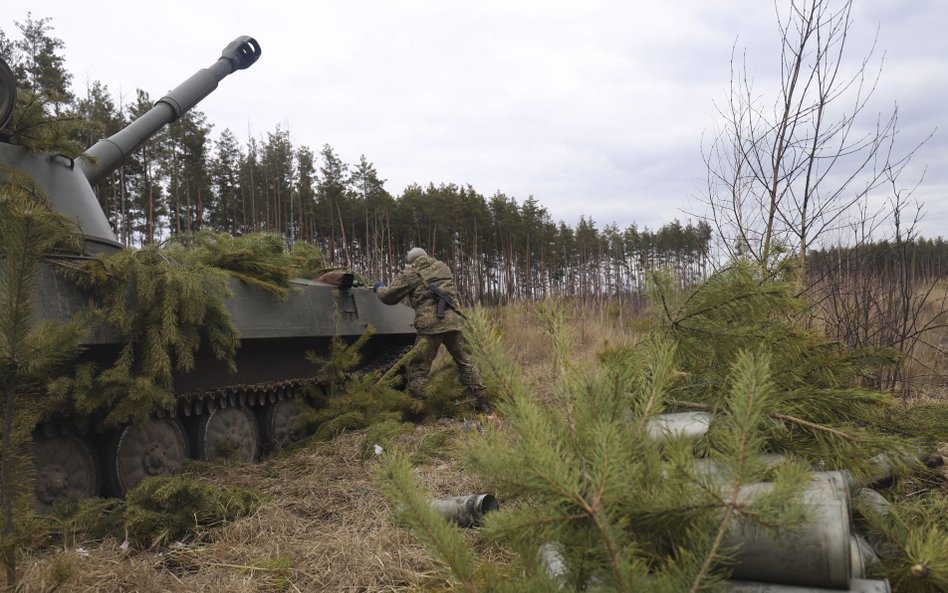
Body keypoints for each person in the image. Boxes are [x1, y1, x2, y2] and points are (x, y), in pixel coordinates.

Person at [373, 247, 491, 414]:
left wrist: (378, 287)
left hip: (429, 327)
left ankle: (417, 410)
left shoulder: (411, 273)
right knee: (466, 363)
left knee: (420, 368)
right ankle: (482, 401)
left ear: (411, 261)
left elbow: (388, 297)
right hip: (453, 323)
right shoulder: (444, 267)